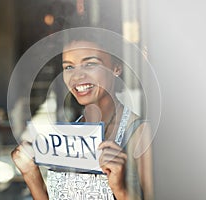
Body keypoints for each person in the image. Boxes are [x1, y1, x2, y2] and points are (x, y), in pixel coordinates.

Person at [11, 32, 153, 200]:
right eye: (69, 67)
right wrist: (30, 174)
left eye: (90, 64)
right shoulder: (68, 136)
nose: (77, 76)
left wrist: (120, 189)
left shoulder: (139, 133)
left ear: (116, 67)